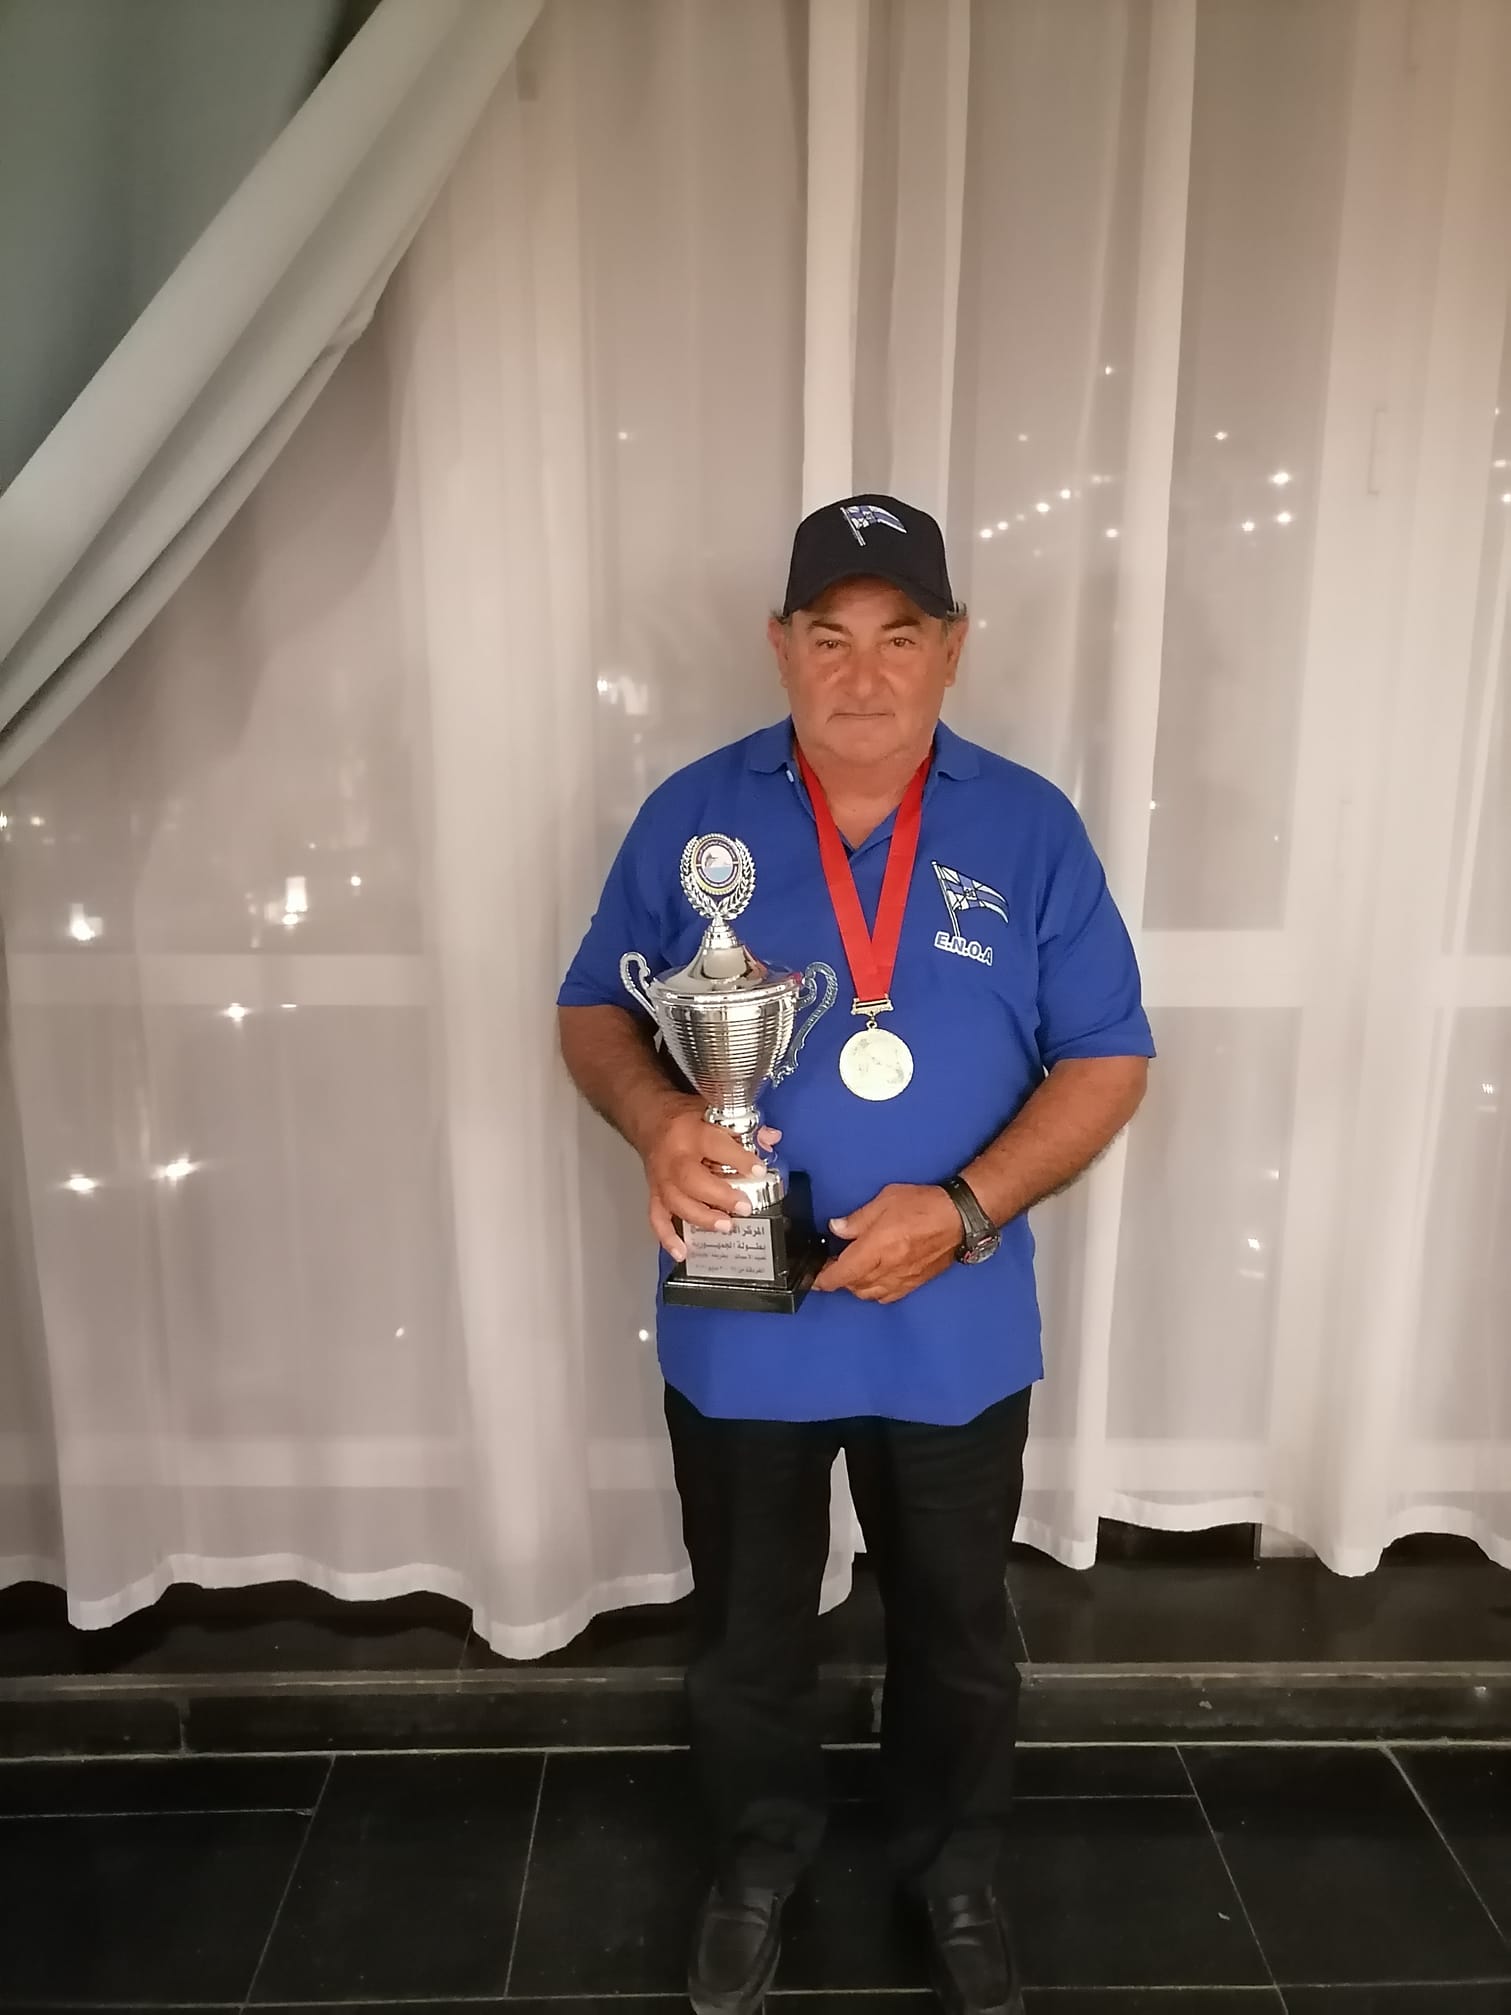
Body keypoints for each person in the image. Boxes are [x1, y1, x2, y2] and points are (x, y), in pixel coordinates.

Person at [557, 494, 1153, 2015]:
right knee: (747, 1626)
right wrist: (659, 1122)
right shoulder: (693, 815)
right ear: (781, 647)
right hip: (741, 1312)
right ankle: (758, 1858)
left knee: (956, 1626)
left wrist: (963, 1211)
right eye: (830, 638)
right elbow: (596, 1010)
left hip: (952, 1314)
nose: (864, 675)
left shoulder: (1031, 827)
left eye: (900, 637)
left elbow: (1107, 1058)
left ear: (954, 648)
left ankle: (951, 1871)